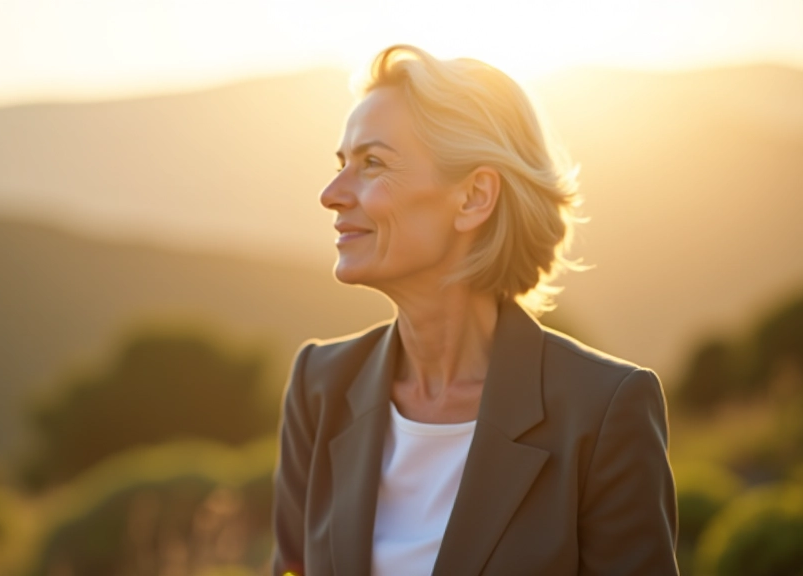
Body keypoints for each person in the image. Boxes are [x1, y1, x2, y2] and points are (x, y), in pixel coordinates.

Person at [270, 44, 678, 576]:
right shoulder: (318, 386)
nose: (331, 193)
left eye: (372, 163)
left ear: (474, 198)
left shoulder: (602, 411)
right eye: (341, 164)